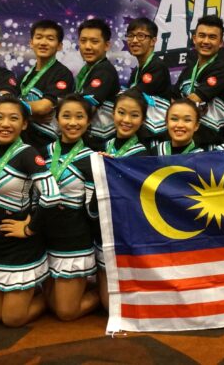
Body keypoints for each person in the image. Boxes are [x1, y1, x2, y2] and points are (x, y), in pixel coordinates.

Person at [0, 95, 58, 327]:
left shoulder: (28, 154)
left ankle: (47, 299)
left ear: (24, 124)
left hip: (20, 247)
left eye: (13, 118)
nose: (5, 124)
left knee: (12, 319)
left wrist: (30, 228)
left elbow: (52, 195)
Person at [40, 94, 100, 321]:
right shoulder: (43, 153)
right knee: (51, 305)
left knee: (66, 312)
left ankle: (103, 297)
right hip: (44, 237)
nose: (72, 122)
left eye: (79, 117)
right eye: (66, 116)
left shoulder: (92, 158)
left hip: (73, 239)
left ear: (88, 122)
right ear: (56, 118)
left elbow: (93, 212)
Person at [93, 89, 151, 310]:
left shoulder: (144, 156)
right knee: (109, 306)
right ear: (112, 113)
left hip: (128, 234)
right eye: (121, 113)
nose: (126, 120)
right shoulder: (102, 147)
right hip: (102, 230)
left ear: (143, 119)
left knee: (126, 307)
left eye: (134, 115)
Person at [172, 15, 224, 146]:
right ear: (194, 39)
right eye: (202, 35)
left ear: (221, 42)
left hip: (209, 144)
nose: (205, 41)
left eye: (212, 37)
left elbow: (194, 99)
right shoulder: (188, 70)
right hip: (184, 140)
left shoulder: (222, 70)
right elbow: (173, 99)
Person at [19, 19, 75, 147]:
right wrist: (29, 115)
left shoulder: (62, 74)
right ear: (31, 43)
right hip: (21, 143)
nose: (43, 43)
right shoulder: (23, 77)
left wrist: (17, 109)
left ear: (59, 45)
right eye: (39, 37)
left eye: (50, 39)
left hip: (47, 145)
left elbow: (44, 107)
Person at [74, 19, 120, 151]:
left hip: (100, 144)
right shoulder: (88, 70)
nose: (87, 47)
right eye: (83, 41)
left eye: (94, 42)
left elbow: (85, 107)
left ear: (106, 45)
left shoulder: (104, 70)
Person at [125, 17, 172, 143]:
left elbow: (135, 95)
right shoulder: (137, 71)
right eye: (130, 36)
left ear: (153, 41)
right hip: (142, 134)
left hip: (156, 137)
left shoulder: (157, 67)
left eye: (141, 36)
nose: (134, 41)